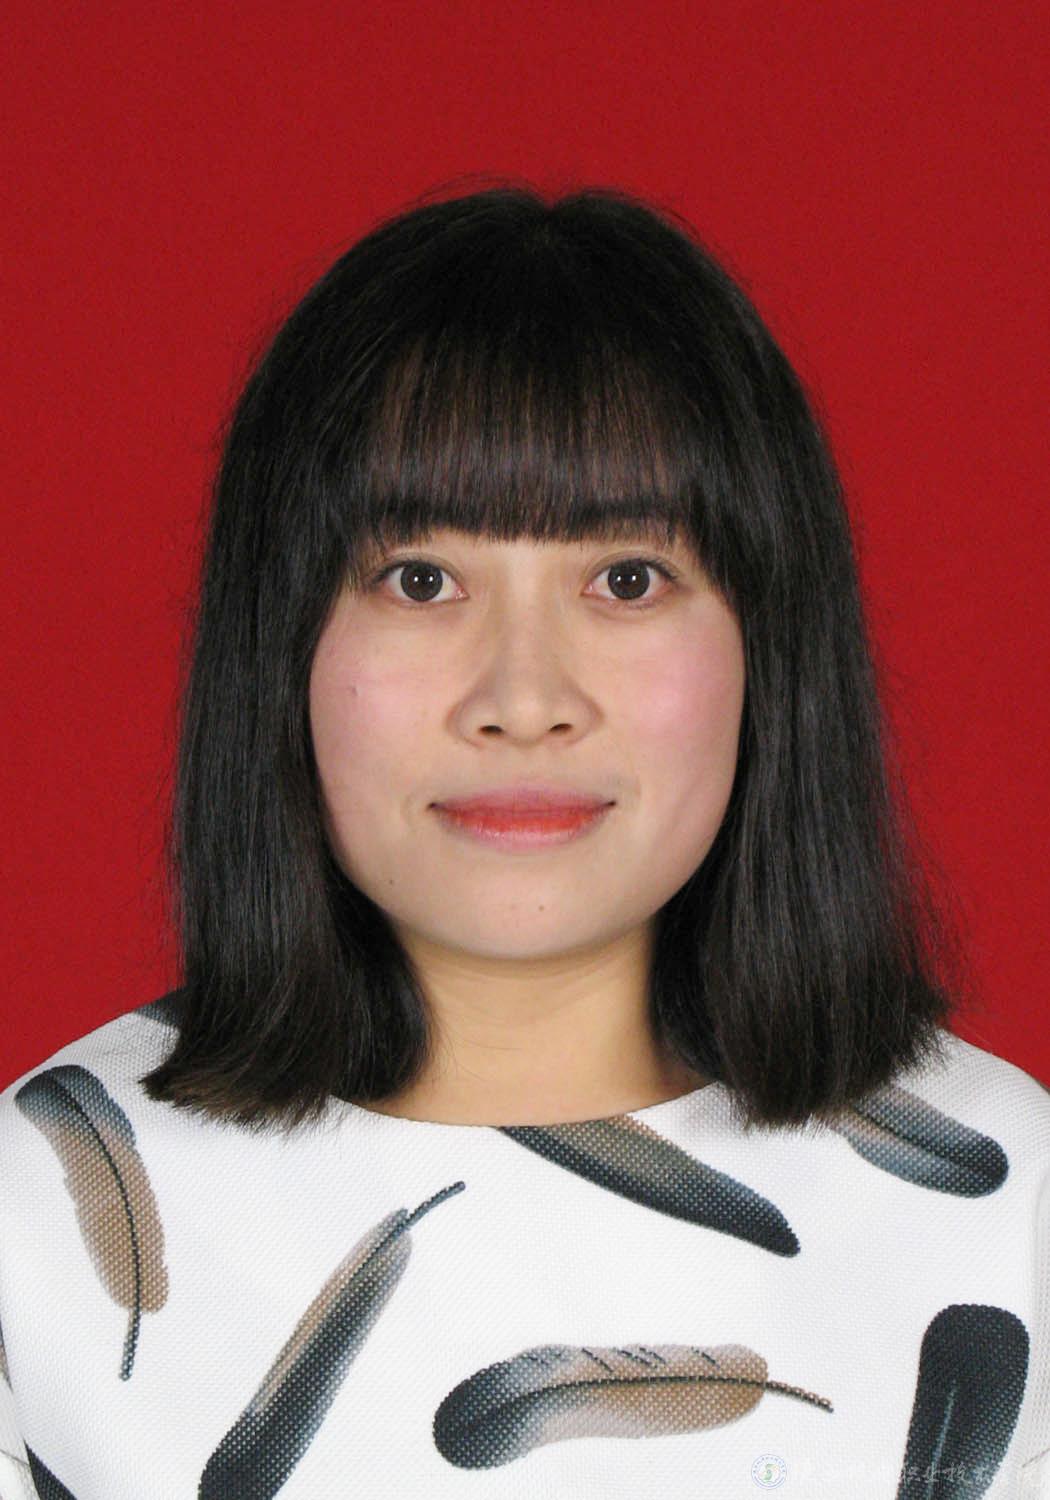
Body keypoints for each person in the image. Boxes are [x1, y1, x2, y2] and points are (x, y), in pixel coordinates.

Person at [0, 182, 1046, 1499]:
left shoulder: (1014, 1215)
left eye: (626, 580)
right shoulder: (36, 1219)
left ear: (768, 649)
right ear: (279, 649)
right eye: (420, 579)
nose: (522, 698)